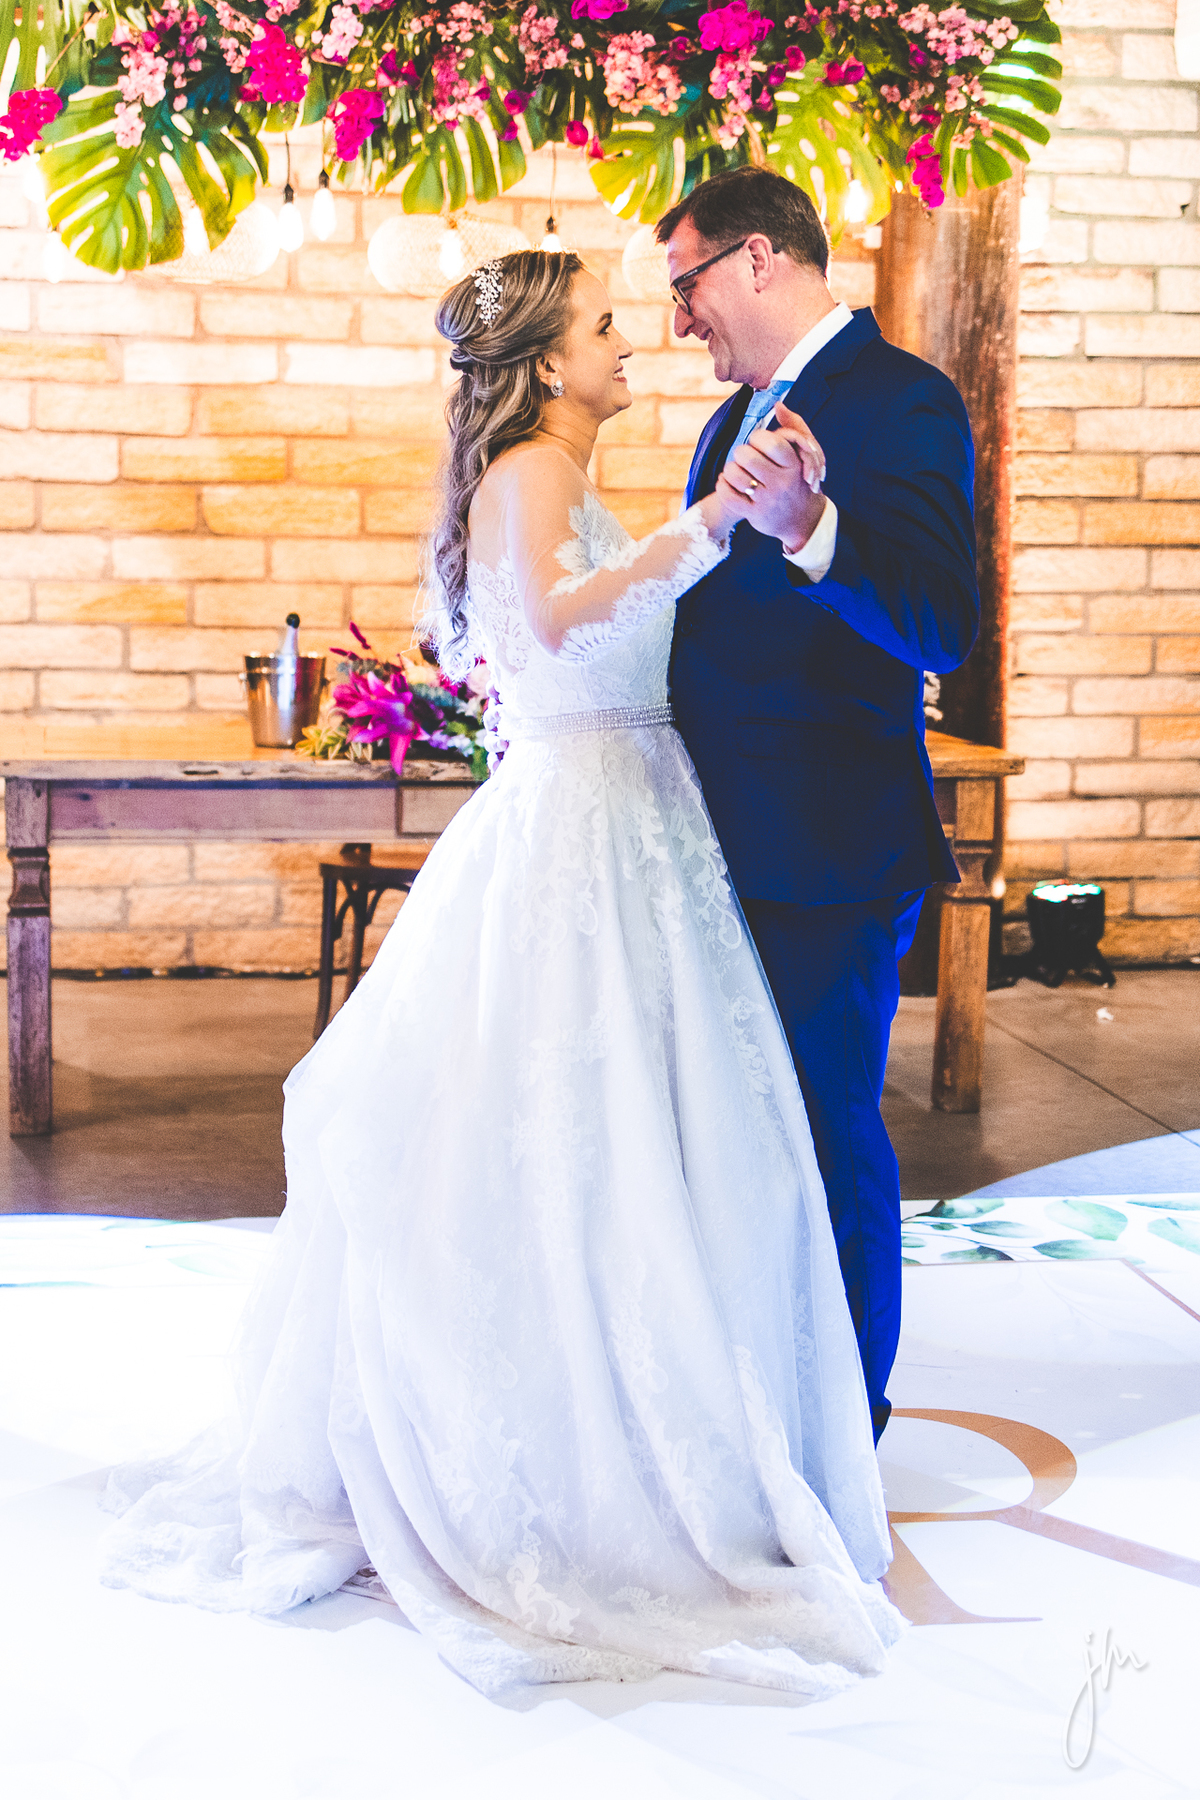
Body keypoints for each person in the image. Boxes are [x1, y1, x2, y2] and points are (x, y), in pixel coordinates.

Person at [100, 248, 905, 1700]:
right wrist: (710, 524)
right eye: (603, 326)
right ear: (545, 366)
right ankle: (566, 1451)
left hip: (635, 819)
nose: (630, 342)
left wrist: (728, 530)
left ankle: (638, 1420)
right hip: (582, 824)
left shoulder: (558, 467)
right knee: (566, 1139)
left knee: (630, 1147)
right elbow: (551, 621)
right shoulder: (530, 470)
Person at [657, 168, 980, 1443]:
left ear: (755, 259)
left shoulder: (904, 399)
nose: (679, 317)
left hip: (827, 846)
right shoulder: (732, 417)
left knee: (827, 1129)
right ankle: (763, 1402)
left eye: (685, 284)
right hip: (720, 843)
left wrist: (815, 530)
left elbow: (939, 622)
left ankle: (848, 1425)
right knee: (743, 1137)